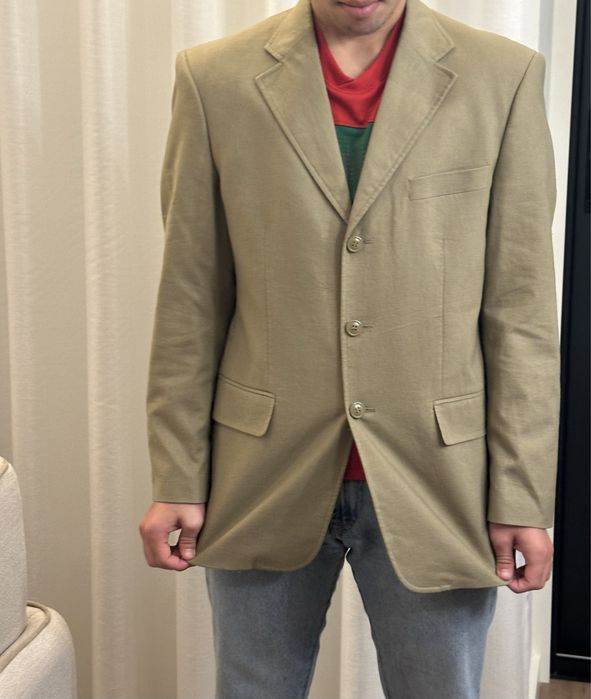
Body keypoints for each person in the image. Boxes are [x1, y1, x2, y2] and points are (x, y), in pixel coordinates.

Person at [139, 0, 561, 696]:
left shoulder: (502, 77)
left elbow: (520, 311)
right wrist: (176, 475)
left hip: (440, 477)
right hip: (261, 469)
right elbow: (191, 297)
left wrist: (520, 493)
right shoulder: (214, 79)